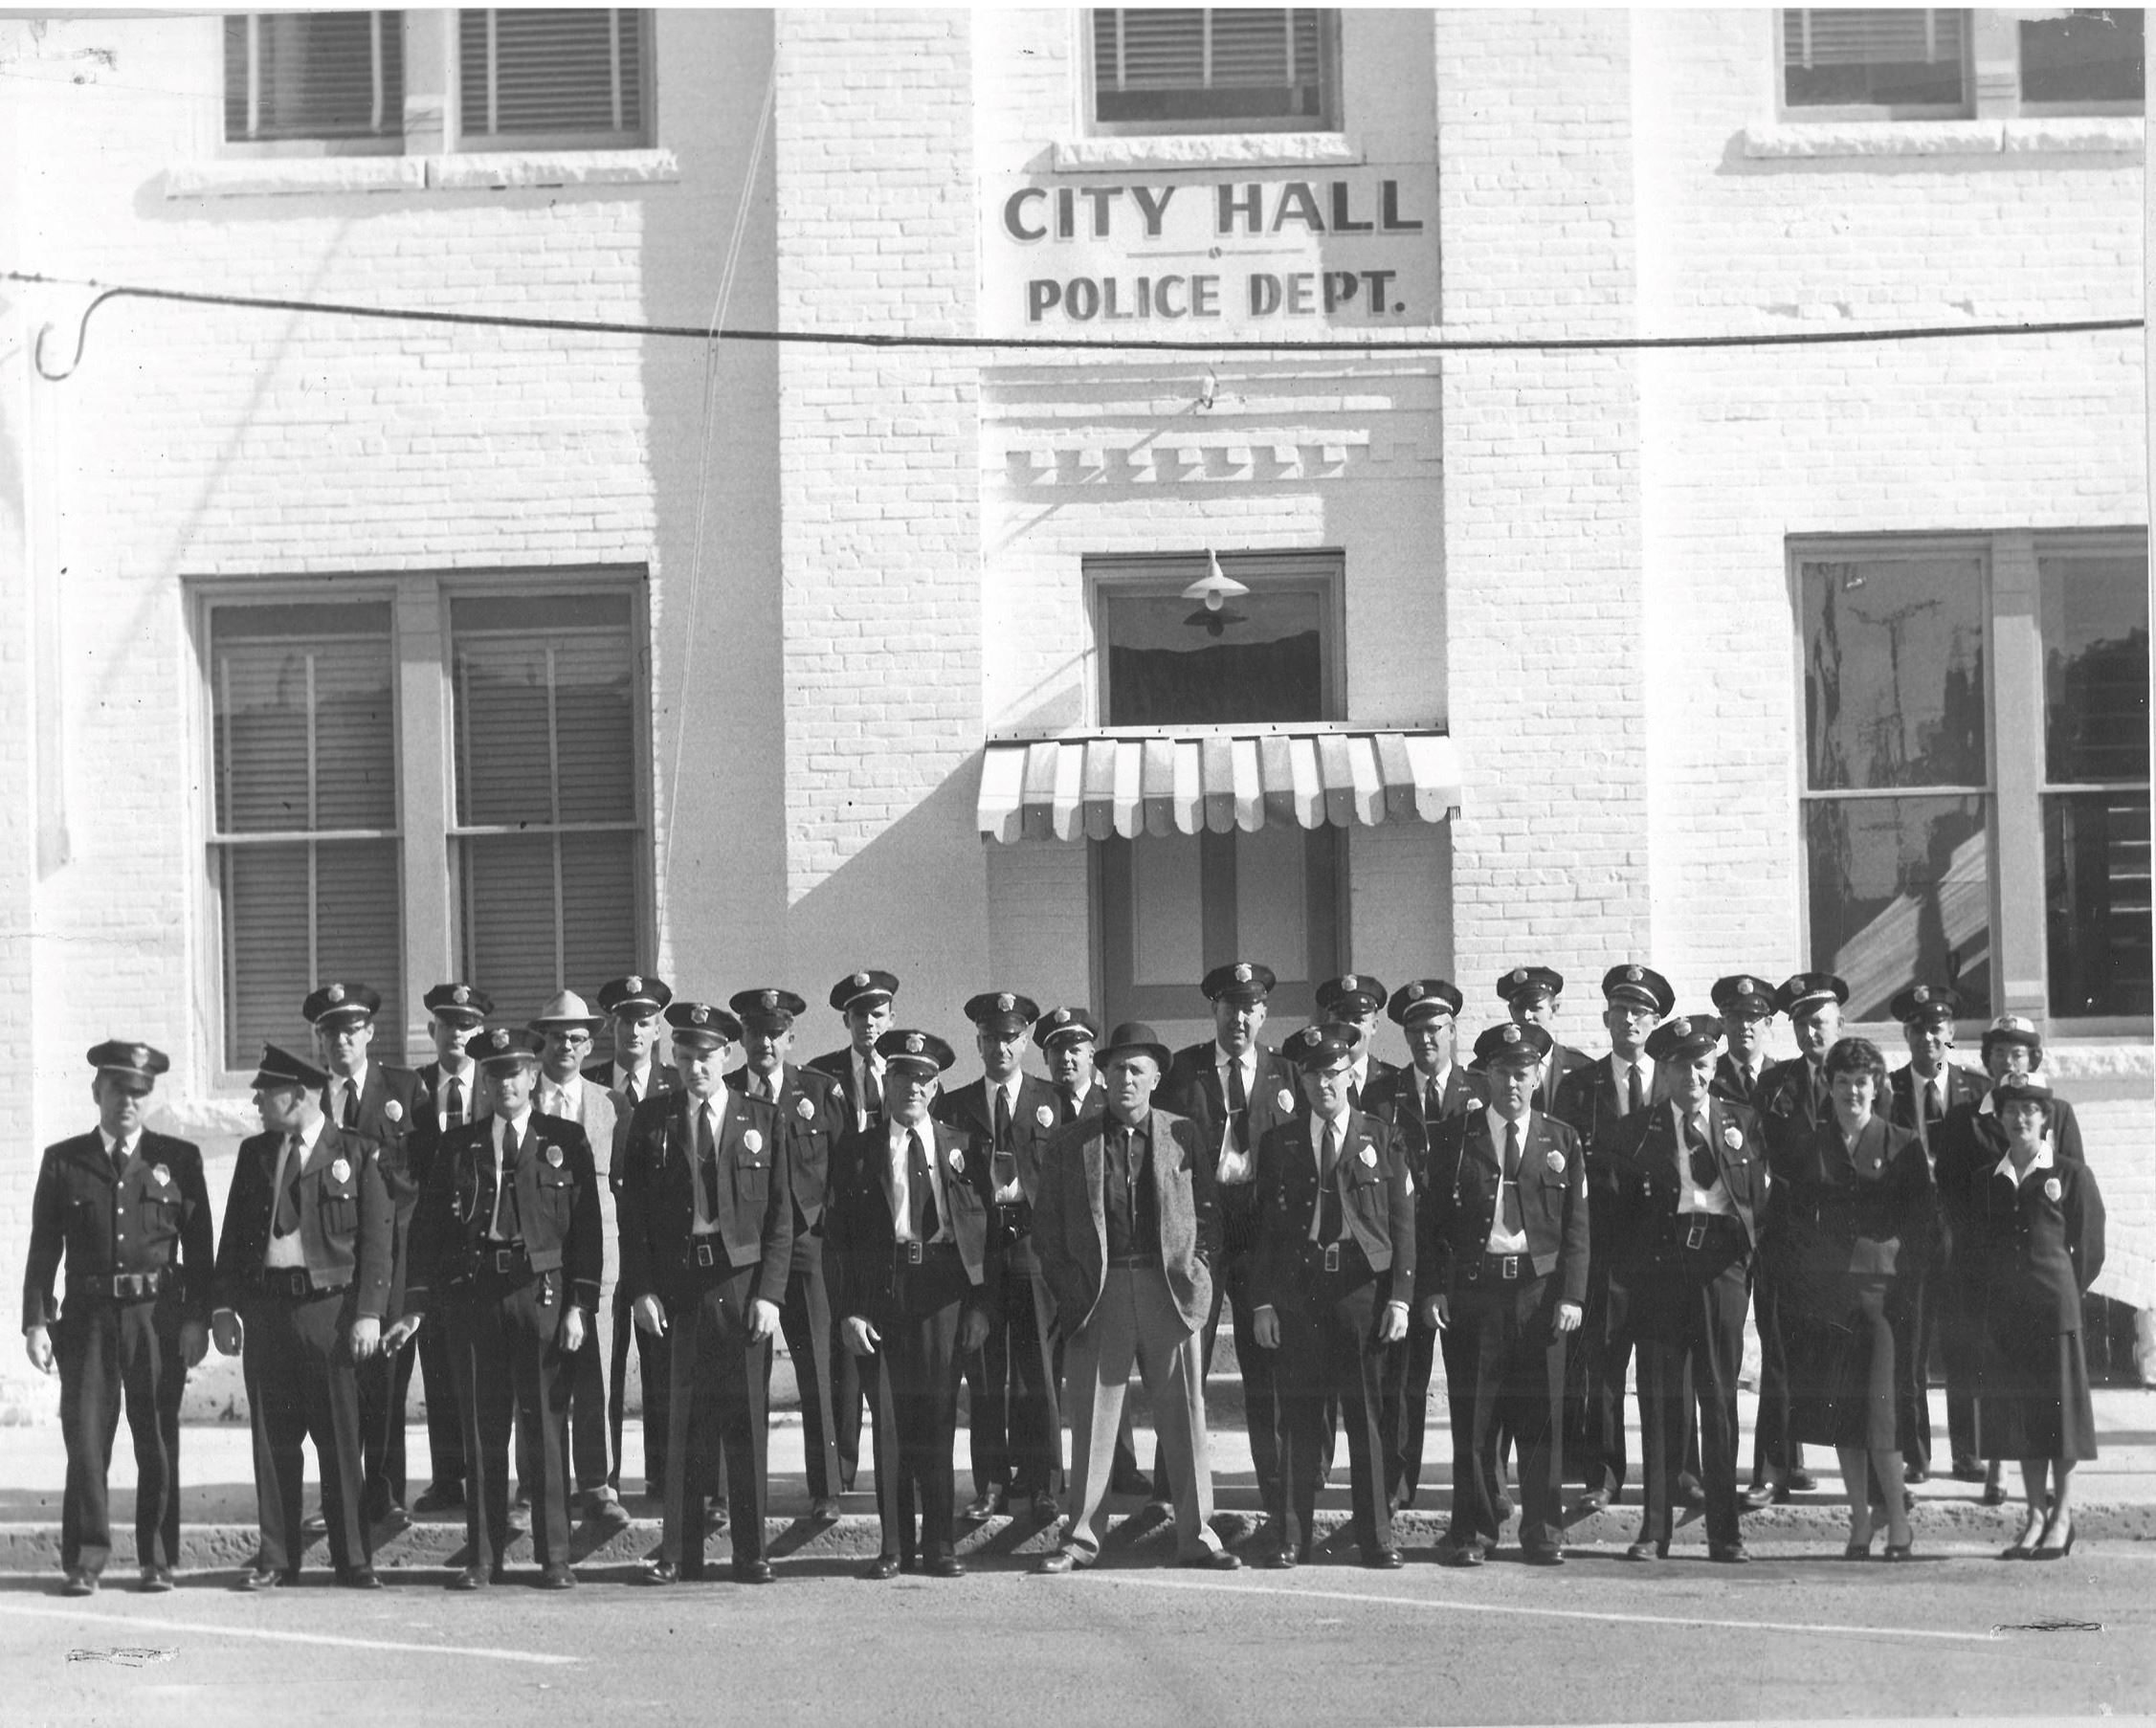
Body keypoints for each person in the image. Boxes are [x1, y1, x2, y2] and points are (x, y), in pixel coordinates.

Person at [1031, 1022, 1240, 1575]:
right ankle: (1080, 1539)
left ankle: (1197, 1534)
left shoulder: (1182, 1134)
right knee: (1096, 1421)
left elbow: (1210, 1216)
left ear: (1154, 1078)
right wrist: (1071, 1288)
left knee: (1184, 1414)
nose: (1124, 1078)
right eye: (1116, 1068)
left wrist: (1199, 1277)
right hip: (1101, 1292)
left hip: (1166, 1289)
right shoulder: (1073, 1142)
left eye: (1136, 1069)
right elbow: (1047, 1228)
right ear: (1103, 1075)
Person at [406, 1026, 603, 1590]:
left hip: (539, 1296)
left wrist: (578, 1306)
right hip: (476, 1299)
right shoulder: (457, 1145)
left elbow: (585, 1231)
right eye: (493, 1074)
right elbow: (430, 1231)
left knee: (544, 1429)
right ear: (484, 1083)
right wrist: (428, 1303)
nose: (504, 1083)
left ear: (532, 1075)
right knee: (482, 1430)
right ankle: (484, 1557)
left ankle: (554, 1556)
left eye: (514, 1072)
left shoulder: (564, 1138)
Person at [22, 1041, 213, 1596]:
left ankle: (157, 1559)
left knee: (155, 1436)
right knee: (85, 1440)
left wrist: (198, 1317)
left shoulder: (177, 1158)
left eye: (138, 1092)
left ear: (147, 1096)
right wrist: (37, 1321)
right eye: (117, 1090)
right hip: (85, 1317)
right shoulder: (64, 1160)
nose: (127, 1102)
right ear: (96, 1093)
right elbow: (43, 1249)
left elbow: (198, 1248)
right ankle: (85, 1560)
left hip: (158, 1317)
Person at [618, 1001, 791, 1584]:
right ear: (674, 1057)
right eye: (686, 1056)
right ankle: (678, 1553)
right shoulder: (652, 1119)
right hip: (678, 1286)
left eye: (708, 1056)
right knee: (680, 1422)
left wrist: (769, 1294)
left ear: (728, 1055)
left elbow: (782, 1221)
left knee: (745, 1422)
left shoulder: (762, 1119)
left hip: (740, 1284)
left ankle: (751, 1552)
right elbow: (633, 1218)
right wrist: (642, 1290)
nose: (696, 1067)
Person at [211, 1043, 393, 1589]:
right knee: (273, 1441)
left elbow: (378, 1241)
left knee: (340, 1440)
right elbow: (233, 1238)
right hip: (267, 1310)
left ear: (301, 1094)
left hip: (329, 1312)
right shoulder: (256, 1154)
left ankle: (353, 1559)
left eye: (267, 1092)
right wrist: (223, 1306)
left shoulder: (355, 1153)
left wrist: (369, 1314)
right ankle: (277, 1559)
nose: (257, 1100)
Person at [827, 1028, 995, 1580]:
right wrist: (849, 1310)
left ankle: (941, 1544)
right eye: (902, 1076)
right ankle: (893, 1546)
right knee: (891, 1424)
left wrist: (978, 1307)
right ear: (887, 1082)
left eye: (923, 1078)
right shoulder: (858, 1150)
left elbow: (982, 1234)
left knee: (940, 1417)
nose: (913, 1088)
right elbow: (840, 1240)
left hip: (944, 1289)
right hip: (884, 1289)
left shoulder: (965, 1147)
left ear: (937, 1084)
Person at [1419, 1022, 1588, 1568]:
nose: (1512, 1083)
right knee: (1475, 1419)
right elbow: (1430, 1224)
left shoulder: (1560, 1140)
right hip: (1476, 1291)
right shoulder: (1453, 1137)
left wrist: (1572, 1296)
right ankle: (1474, 1529)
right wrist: (1433, 1290)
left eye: (1522, 1072)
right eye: (1501, 1072)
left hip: (1539, 1295)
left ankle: (1542, 1529)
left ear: (1537, 1077)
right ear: (1484, 1076)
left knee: (1540, 1416)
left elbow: (1577, 1229)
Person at [1250, 1025, 1414, 1569]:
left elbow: (1402, 1223)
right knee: (1299, 1417)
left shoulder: (1381, 1135)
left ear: (1350, 1074)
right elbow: (1265, 1233)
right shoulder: (1281, 1142)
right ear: (1302, 1079)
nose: (1325, 1083)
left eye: (1334, 1072)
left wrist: (1401, 1298)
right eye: (1314, 1073)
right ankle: (1292, 1535)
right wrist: (1264, 1302)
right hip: (1301, 1293)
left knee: (1366, 1416)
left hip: (1359, 1290)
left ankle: (1376, 1536)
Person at [1773, 1035, 1933, 1561]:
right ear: (1829, 1086)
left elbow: (1923, 1224)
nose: (1852, 1092)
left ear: (1878, 1086)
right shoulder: (1811, 1146)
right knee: (1844, 1418)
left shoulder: (1902, 1143)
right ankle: (1861, 1522)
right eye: (1842, 1083)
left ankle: (1900, 1524)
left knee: (1881, 1419)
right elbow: (1791, 1222)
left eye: (1861, 1082)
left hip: (1883, 1300)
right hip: (1830, 1299)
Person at [1612, 1014, 1764, 1563]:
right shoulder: (1638, 1131)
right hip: (1662, 1271)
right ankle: (1655, 1530)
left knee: (1719, 1400)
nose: (1693, 1078)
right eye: (1680, 1068)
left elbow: (1760, 1202)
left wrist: (1745, 1264)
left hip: (1720, 1270)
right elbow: (1621, 1214)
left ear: (1715, 1065)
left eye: (1701, 1066)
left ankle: (1725, 1532)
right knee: (1658, 1403)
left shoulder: (1742, 1122)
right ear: (1664, 1071)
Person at [1156, 961, 1299, 1514]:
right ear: (1212, 1010)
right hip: (1204, 1232)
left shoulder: (1286, 1074)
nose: (1238, 1017)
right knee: (1186, 1358)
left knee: (1266, 1365)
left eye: (1249, 1007)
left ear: (1263, 1013)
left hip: (1262, 1234)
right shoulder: (1183, 1072)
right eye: (1228, 1006)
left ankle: (1278, 1489)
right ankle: (1172, 1492)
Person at [304, 981, 432, 1538]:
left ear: (370, 1033)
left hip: (394, 1258)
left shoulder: (404, 1088)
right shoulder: (309, 1097)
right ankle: (338, 1497)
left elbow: (425, 1180)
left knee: (386, 1384)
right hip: (330, 1263)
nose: (341, 1043)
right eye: (331, 1033)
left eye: (351, 1032)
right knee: (335, 1390)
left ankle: (385, 1496)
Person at [1962, 1075, 2105, 1561]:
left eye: (2030, 1110)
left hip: (2054, 1315)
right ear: (1999, 1120)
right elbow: (1978, 1247)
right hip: (2007, 1316)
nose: (2020, 1119)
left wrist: (2062, 1291)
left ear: (2046, 1117)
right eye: (2011, 1110)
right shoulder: (1989, 1179)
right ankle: (2034, 1516)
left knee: (2059, 1420)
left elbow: (2089, 1250)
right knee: (2020, 1421)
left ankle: (2062, 1516)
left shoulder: (2069, 1175)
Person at [934, 991, 1064, 1519]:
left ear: (1026, 1040)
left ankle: (1042, 1483)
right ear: (979, 1042)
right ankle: (990, 1482)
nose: (1000, 1048)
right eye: (990, 1039)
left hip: (1034, 1254)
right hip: (979, 1257)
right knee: (985, 1372)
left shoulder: (1051, 1100)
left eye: (1010, 1037)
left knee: (1037, 1371)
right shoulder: (956, 1105)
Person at [724, 986, 850, 1521]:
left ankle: (826, 1489)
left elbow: (845, 1174)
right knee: (738, 1374)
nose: (765, 1044)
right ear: (742, 1040)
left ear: (791, 1037)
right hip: (745, 1252)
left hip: (807, 1249)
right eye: (755, 1033)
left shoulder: (820, 1092)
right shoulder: (726, 1092)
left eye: (775, 1034)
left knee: (818, 1372)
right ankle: (734, 1494)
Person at [1553, 963, 1675, 1511]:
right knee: (1601, 1373)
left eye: (1642, 1011)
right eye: (1622, 1010)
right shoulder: (1580, 1088)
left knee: (1662, 1372)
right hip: (1603, 1251)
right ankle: (1602, 1477)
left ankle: (1672, 1474)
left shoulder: (1675, 1080)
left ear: (1655, 1022)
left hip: (1658, 1253)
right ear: (1606, 1018)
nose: (1631, 1019)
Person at [1365, 978, 1483, 1512]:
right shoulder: (1381, 1095)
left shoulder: (1480, 1089)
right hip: (1406, 1254)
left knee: (1472, 1386)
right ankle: (1397, 1484)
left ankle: (1480, 1489)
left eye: (1434, 1028)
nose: (1425, 1040)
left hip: (1466, 1256)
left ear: (1454, 1030)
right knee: (1404, 1383)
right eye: (1414, 1031)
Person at [530, 989, 632, 1536]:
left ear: (590, 1043)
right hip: (538, 1253)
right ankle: (536, 1486)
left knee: (595, 1373)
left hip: (598, 1249)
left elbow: (620, 1185)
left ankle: (597, 1484)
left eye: (576, 1038)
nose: (566, 1046)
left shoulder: (610, 1104)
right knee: (537, 1372)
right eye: (555, 1037)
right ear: (541, 1042)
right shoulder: (522, 1099)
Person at [1884, 984, 1990, 1487]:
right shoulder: (1888, 1091)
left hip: (1963, 1239)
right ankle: (1916, 1454)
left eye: (1937, 1028)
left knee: (1963, 1346)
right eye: (1918, 1028)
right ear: (1906, 1034)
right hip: (1909, 1236)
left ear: (1951, 1034)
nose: (1928, 1037)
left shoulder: (1978, 1089)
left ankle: (1967, 1454)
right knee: (1910, 1349)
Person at [1748, 971, 1848, 1505]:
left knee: (1851, 1355)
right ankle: (1772, 1469)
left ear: (1840, 1023)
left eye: (1821, 1022)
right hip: (1786, 1240)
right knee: (1781, 1355)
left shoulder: (1861, 1078)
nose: (1813, 1032)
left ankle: (1866, 1472)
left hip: (1843, 1242)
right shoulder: (1774, 1084)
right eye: (1803, 1023)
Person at [808, 967, 900, 1494]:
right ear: (846, 1020)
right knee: (841, 1362)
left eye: (878, 1013)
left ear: (892, 1017)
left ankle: (897, 1475)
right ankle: (839, 1477)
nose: (870, 1023)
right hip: (843, 1229)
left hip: (893, 1229)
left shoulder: (909, 1070)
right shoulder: (823, 1078)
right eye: (860, 1014)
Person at [591, 973, 679, 1506]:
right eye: (625, 1021)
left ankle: (661, 1476)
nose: (634, 1032)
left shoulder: (675, 1084)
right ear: (612, 1028)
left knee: (661, 1366)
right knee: (603, 1369)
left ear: (656, 1030)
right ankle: (605, 1477)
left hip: (656, 1249)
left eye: (644, 1022)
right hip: (603, 1246)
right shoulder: (593, 1083)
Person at [412, 982, 491, 1516]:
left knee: (487, 1368)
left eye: (467, 1025)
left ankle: (490, 1479)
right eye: (448, 1024)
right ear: (431, 1031)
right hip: (431, 1248)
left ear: (480, 1031)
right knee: (437, 1363)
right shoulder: (412, 1089)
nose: (457, 1033)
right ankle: (447, 1478)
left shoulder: (499, 1083)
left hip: (485, 1246)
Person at [1493, 966, 1594, 1116]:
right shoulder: (1494, 1068)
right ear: (1510, 1011)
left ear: (1553, 1008)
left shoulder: (1582, 1068)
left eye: (1535, 1007)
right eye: (1519, 1008)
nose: (1527, 1015)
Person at [1316, 974, 1401, 1111]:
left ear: (1374, 1026)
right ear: (1328, 1024)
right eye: (1341, 1019)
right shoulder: (1311, 1083)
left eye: (1358, 1020)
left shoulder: (1396, 1082)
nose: (1349, 1028)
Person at [1709, 975, 1777, 1106]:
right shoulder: (1709, 1078)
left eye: (1752, 1018)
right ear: (1722, 1024)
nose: (1744, 1025)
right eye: (1735, 1018)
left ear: (1767, 1024)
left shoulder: (1782, 1078)